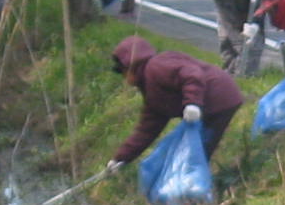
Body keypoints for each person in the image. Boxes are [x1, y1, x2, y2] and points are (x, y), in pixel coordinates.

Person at [104, 35, 244, 173]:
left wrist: (192, 103)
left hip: (220, 97)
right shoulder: (151, 93)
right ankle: (188, 186)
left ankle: (192, 188)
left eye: (123, 72)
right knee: (190, 152)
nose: (124, 78)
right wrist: (121, 158)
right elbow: (146, 131)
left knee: (198, 150)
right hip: (207, 106)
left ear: (131, 67)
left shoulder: (157, 66)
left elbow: (192, 74)